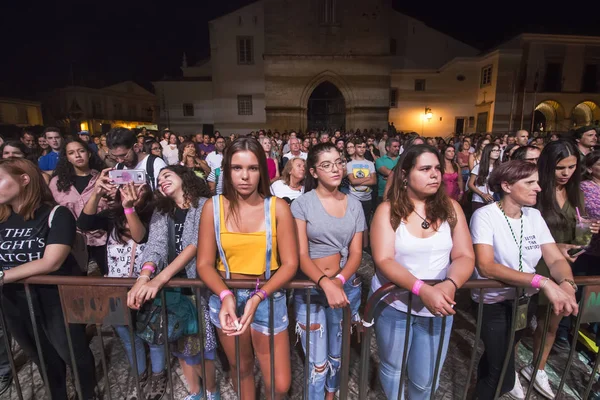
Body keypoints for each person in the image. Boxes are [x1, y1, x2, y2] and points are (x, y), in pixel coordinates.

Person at [196, 137, 298, 400]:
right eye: (237, 168)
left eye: (252, 168)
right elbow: (204, 264)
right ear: (227, 170)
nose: (244, 176)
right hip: (226, 296)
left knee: (280, 383)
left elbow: (290, 264)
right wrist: (225, 295)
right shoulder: (213, 207)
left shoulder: (278, 208)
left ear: (261, 171)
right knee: (241, 369)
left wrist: (258, 297)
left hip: (267, 297)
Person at [370, 144, 474, 399]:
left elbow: (465, 255)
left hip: (438, 307)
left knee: (426, 379)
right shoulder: (388, 210)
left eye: (437, 168)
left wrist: (450, 284)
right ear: (405, 174)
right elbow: (384, 259)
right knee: (393, 370)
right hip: (394, 306)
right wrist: (421, 289)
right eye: (425, 169)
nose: (435, 174)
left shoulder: (452, 208)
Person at [470, 160, 579, 399]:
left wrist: (567, 284)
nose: (538, 188)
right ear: (507, 185)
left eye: (537, 182)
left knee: (495, 361)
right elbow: (486, 266)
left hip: (522, 303)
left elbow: (556, 260)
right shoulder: (485, 216)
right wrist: (543, 282)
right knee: (502, 374)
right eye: (529, 182)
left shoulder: (534, 216)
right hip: (493, 304)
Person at [0, 158, 98, 400]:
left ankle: (88, 394)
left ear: (24, 179)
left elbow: (51, 261)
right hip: (14, 301)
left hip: (56, 300)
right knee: (41, 358)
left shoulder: (57, 213)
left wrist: (3, 275)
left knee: (73, 354)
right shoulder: (2, 218)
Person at [127, 166, 219, 400]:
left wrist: (159, 278)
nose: (162, 181)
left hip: (197, 285)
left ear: (184, 177)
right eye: (158, 179)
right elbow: (155, 246)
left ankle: (211, 391)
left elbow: (194, 245)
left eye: (167, 175)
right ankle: (195, 392)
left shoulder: (204, 205)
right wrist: (144, 276)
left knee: (201, 347)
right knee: (179, 344)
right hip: (172, 287)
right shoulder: (162, 210)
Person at [292, 142, 365, 400]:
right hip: (310, 290)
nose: (335, 168)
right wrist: (325, 282)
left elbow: (357, 253)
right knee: (316, 360)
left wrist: (340, 280)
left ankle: (331, 395)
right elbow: (300, 255)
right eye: (326, 165)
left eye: (338, 162)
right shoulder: (301, 204)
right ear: (313, 172)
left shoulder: (354, 204)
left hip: (345, 287)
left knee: (337, 352)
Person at [523, 140, 595, 398]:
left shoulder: (577, 192)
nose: (566, 173)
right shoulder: (536, 191)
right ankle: (506, 369)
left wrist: (584, 237)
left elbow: (578, 236)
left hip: (561, 266)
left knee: (552, 321)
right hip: (534, 263)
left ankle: (537, 368)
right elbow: (524, 231)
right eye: (559, 168)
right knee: (519, 323)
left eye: (571, 167)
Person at [78, 172, 159, 400]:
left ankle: (158, 374)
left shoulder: (156, 215)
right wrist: (96, 193)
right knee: (125, 332)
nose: (132, 190)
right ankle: (140, 373)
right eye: (128, 186)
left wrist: (129, 209)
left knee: (153, 332)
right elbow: (84, 223)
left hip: (146, 286)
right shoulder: (111, 216)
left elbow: (140, 237)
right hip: (114, 286)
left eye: (139, 186)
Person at [49, 138, 109, 274]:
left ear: (88, 154)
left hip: (102, 239)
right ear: (67, 158)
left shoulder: (103, 178)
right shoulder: (57, 182)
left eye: (81, 151)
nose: (77, 155)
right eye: (71, 153)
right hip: (72, 242)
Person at [468, 143, 501, 213]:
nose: (497, 152)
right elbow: (470, 184)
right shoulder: (479, 167)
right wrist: (482, 194)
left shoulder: (500, 167)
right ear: (488, 152)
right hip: (479, 199)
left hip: (494, 200)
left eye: (498, 150)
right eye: (494, 150)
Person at [375, 138, 400, 203]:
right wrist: (400, 176)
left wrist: (390, 177)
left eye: (398, 146)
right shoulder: (379, 160)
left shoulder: (402, 159)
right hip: (383, 194)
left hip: (399, 194)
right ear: (388, 148)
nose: (397, 148)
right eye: (395, 146)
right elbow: (387, 172)